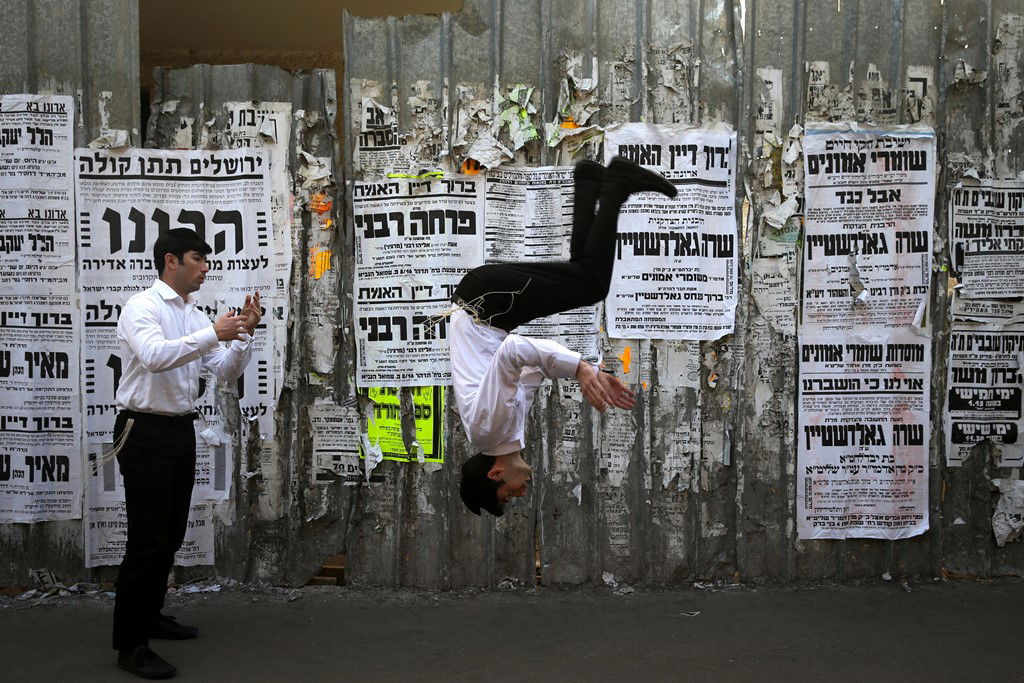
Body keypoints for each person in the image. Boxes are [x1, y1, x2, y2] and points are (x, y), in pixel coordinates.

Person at [453, 156, 676, 517]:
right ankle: (589, 183)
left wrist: (580, 370)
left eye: (508, 494)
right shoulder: (503, 434)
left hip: (486, 304)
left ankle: (617, 186)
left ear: (496, 473)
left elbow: (512, 352)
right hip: (488, 308)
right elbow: (532, 371)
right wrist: (591, 370)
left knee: (590, 284)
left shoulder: (488, 428)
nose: (520, 493)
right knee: (582, 276)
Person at [110, 228, 260, 679]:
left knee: (171, 533)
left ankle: (150, 617)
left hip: (179, 430)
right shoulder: (142, 307)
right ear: (171, 261)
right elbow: (155, 357)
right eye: (199, 258)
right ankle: (130, 645)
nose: (205, 267)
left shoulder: (194, 314)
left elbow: (225, 373)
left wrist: (242, 336)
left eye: (207, 260)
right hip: (144, 431)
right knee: (147, 540)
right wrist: (214, 332)